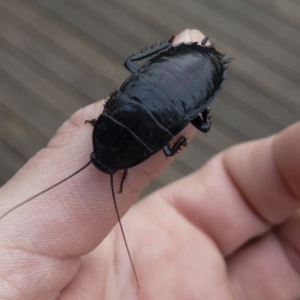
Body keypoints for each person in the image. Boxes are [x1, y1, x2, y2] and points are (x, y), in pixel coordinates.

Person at [0, 29, 299, 300]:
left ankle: (190, 67)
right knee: (134, 65)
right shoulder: (106, 127)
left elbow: (166, 146)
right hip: (169, 83)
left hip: (181, 98)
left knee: (193, 127)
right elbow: (118, 102)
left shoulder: (131, 148)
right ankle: (185, 56)